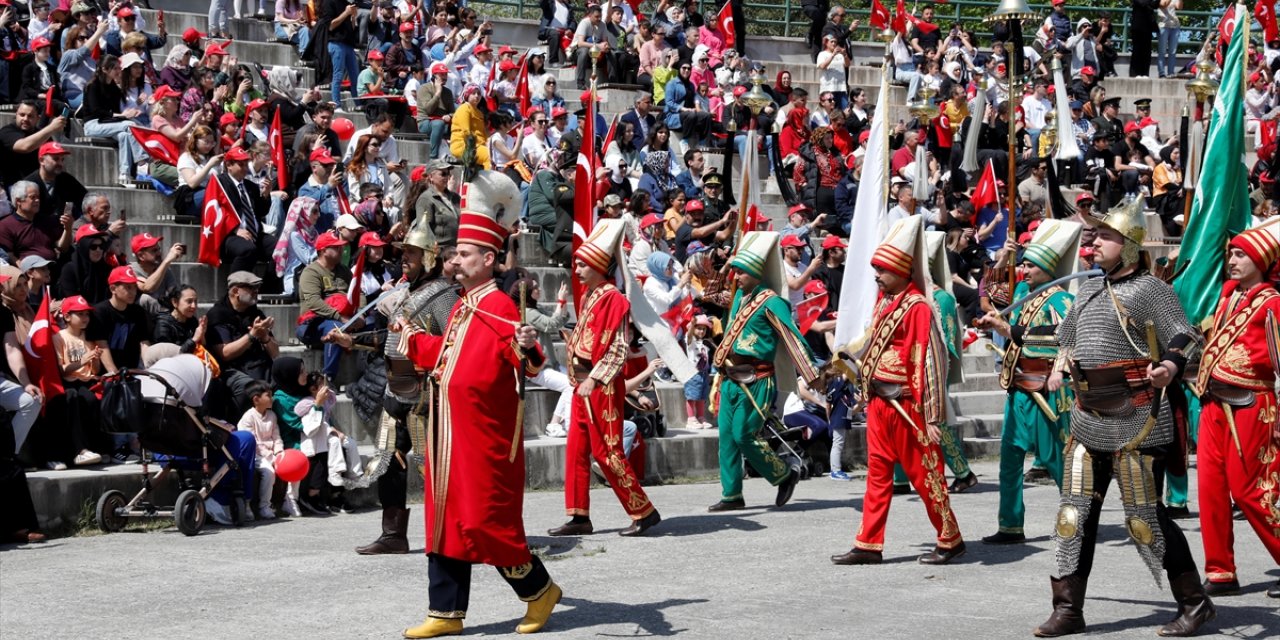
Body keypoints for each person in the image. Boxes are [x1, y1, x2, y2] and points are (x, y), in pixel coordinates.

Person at [1036, 197, 1214, 637]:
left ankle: (1195, 603)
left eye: (1106, 237)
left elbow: (1183, 334)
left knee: (1145, 519)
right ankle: (1068, 609)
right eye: (1094, 236)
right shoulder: (1090, 289)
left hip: (1137, 418)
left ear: (1131, 245)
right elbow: (1068, 337)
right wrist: (1062, 363)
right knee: (1073, 516)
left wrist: (1169, 367)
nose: (1094, 243)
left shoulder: (1152, 290)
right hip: (1087, 418)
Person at [399, 171, 560, 638]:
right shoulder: (464, 304)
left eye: (464, 254)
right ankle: (445, 612)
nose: (454, 260)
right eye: (455, 254)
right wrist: (412, 339)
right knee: (444, 518)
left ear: (488, 259)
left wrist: (528, 343)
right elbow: (446, 358)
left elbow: (524, 358)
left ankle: (539, 590)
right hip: (448, 431)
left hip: (480, 436)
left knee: (484, 520)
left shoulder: (502, 306)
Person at [831, 217, 965, 566]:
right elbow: (873, 344)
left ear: (902, 271)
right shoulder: (884, 302)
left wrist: (933, 414)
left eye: (882, 269)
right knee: (876, 473)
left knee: (924, 476)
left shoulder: (918, 306)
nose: (876, 275)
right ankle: (868, 543)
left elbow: (931, 360)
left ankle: (950, 538)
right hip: (879, 402)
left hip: (906, 404)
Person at [327, 217, 459, 555]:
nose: (405, 258)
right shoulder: (405, 295)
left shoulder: (444, 296)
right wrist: (351, 341)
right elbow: (389, 340)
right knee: (388, 460)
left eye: (412, 253)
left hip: (427, 394)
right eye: (403, 252)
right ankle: (393, 535)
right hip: (394, 389)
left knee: (431, 464)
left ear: (429, 257)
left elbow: (452, 343)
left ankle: (455, 531)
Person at [548, 220, 663, 537]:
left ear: (599, 266)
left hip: (600, 386)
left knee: (607, 451)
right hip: (580, 387)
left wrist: (595, 380)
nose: (578, 269)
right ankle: (578, 516)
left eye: (583, 264)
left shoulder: (613, 298)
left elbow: (616, 348)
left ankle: (643, 510)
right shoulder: (588, 297)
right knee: (575, 451)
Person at [974, 221, 1080, 545]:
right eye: (1024, 263)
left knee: (1058, 460)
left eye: (1030, 265)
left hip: (1047, 390)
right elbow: (990, 294)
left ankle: (1076, 521)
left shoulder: (1062, 301)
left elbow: (1066, 339)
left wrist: (1009, 333)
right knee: (1010, 459)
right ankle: (1010, 525)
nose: (1024, 269)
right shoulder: (1021, 292)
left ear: (1048, 269)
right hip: (1018, 389)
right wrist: (1003, 260)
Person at [1192, 224, 1280, 600]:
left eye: (1241, 254)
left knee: (1251, 492)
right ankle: (1221, 570)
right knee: (1210, 490)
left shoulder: (1273, 302)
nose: (1232, 260)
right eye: (1231, 254)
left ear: (1260, 261)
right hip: (1212, 403)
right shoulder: (1228, 298)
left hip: (1252, 405)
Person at [707, 231, 818, 512]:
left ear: (756, 272)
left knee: (744, 434)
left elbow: (791, 336)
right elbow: (715, 302)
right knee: (726, 437)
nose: (736, 277)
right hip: (731, 377)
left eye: (741, 272)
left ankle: (783, 473)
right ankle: (732, 494)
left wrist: (812, 372)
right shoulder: (738, 298)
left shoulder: (772, 302)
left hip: (757, 379)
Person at [206, 271, 280, 421]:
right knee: (252, 388)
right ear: (235, 291)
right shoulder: (218, 314)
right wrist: (252, 335)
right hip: (232, 369)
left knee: (291, 376)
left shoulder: (255, 313)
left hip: (259, 365)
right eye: (251, 288)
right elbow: (225, 353)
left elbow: (275, 353)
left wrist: (265, 336)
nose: (256, 292)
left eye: (257, 287)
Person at [296, 232, 355, 383]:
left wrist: (360, 314)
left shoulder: (344, 270)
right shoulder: (311, 272)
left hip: (346, 317)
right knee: (335, 328)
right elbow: (314, 302)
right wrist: (339, 316)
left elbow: (357, 291)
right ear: (323, 251)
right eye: (336, 248)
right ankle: (328, 378)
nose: (341, 250)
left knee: (374, 324)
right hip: (312, 323)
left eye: (340, 247)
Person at [237, 380, 285, 519]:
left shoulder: (272, 416)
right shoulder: (248, 418)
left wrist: (280, 452)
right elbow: (253, 443)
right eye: (268, 395)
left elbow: (277, 437)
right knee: (269, 472)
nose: (272, 398)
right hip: (254, 454)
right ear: (256, 399)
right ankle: (263, 506)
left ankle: (289, 501)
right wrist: (271, 458)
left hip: (270, 454)